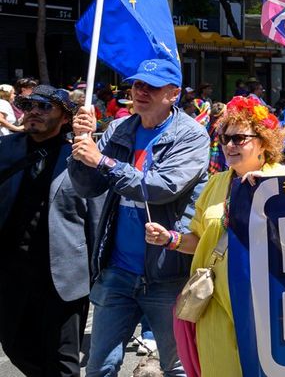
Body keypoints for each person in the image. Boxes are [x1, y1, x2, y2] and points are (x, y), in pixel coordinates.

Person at [68, 58, 211, 377]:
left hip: (167, 273)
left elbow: (162, 188)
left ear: (173, 93)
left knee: (177, 366)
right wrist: (80, 147)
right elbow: (87, 186)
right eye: (137, 85)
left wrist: (102, 161)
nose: (141, 91)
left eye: (152, 86)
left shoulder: (192, 136)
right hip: (118, 271)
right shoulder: (120, 128)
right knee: (99, 366)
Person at [145, 96, 285, 377]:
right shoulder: (215, 183)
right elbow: (199, 239)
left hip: (266, 303)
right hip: (215, 302)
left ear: (263, 142)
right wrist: (170, 239)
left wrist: (268, 194)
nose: (229, 145)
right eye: (225, 138)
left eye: (239, 138)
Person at [0, 85, 104, 377]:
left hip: (64, 275)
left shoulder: (82, 156)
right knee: (14, 345)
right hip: (11, 271)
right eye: (29, 105)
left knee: (61, 361)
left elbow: (96, 217)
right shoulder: (5, 149)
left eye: (45, 107)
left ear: (64, 118)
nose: (33, 111)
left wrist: (98, 271)